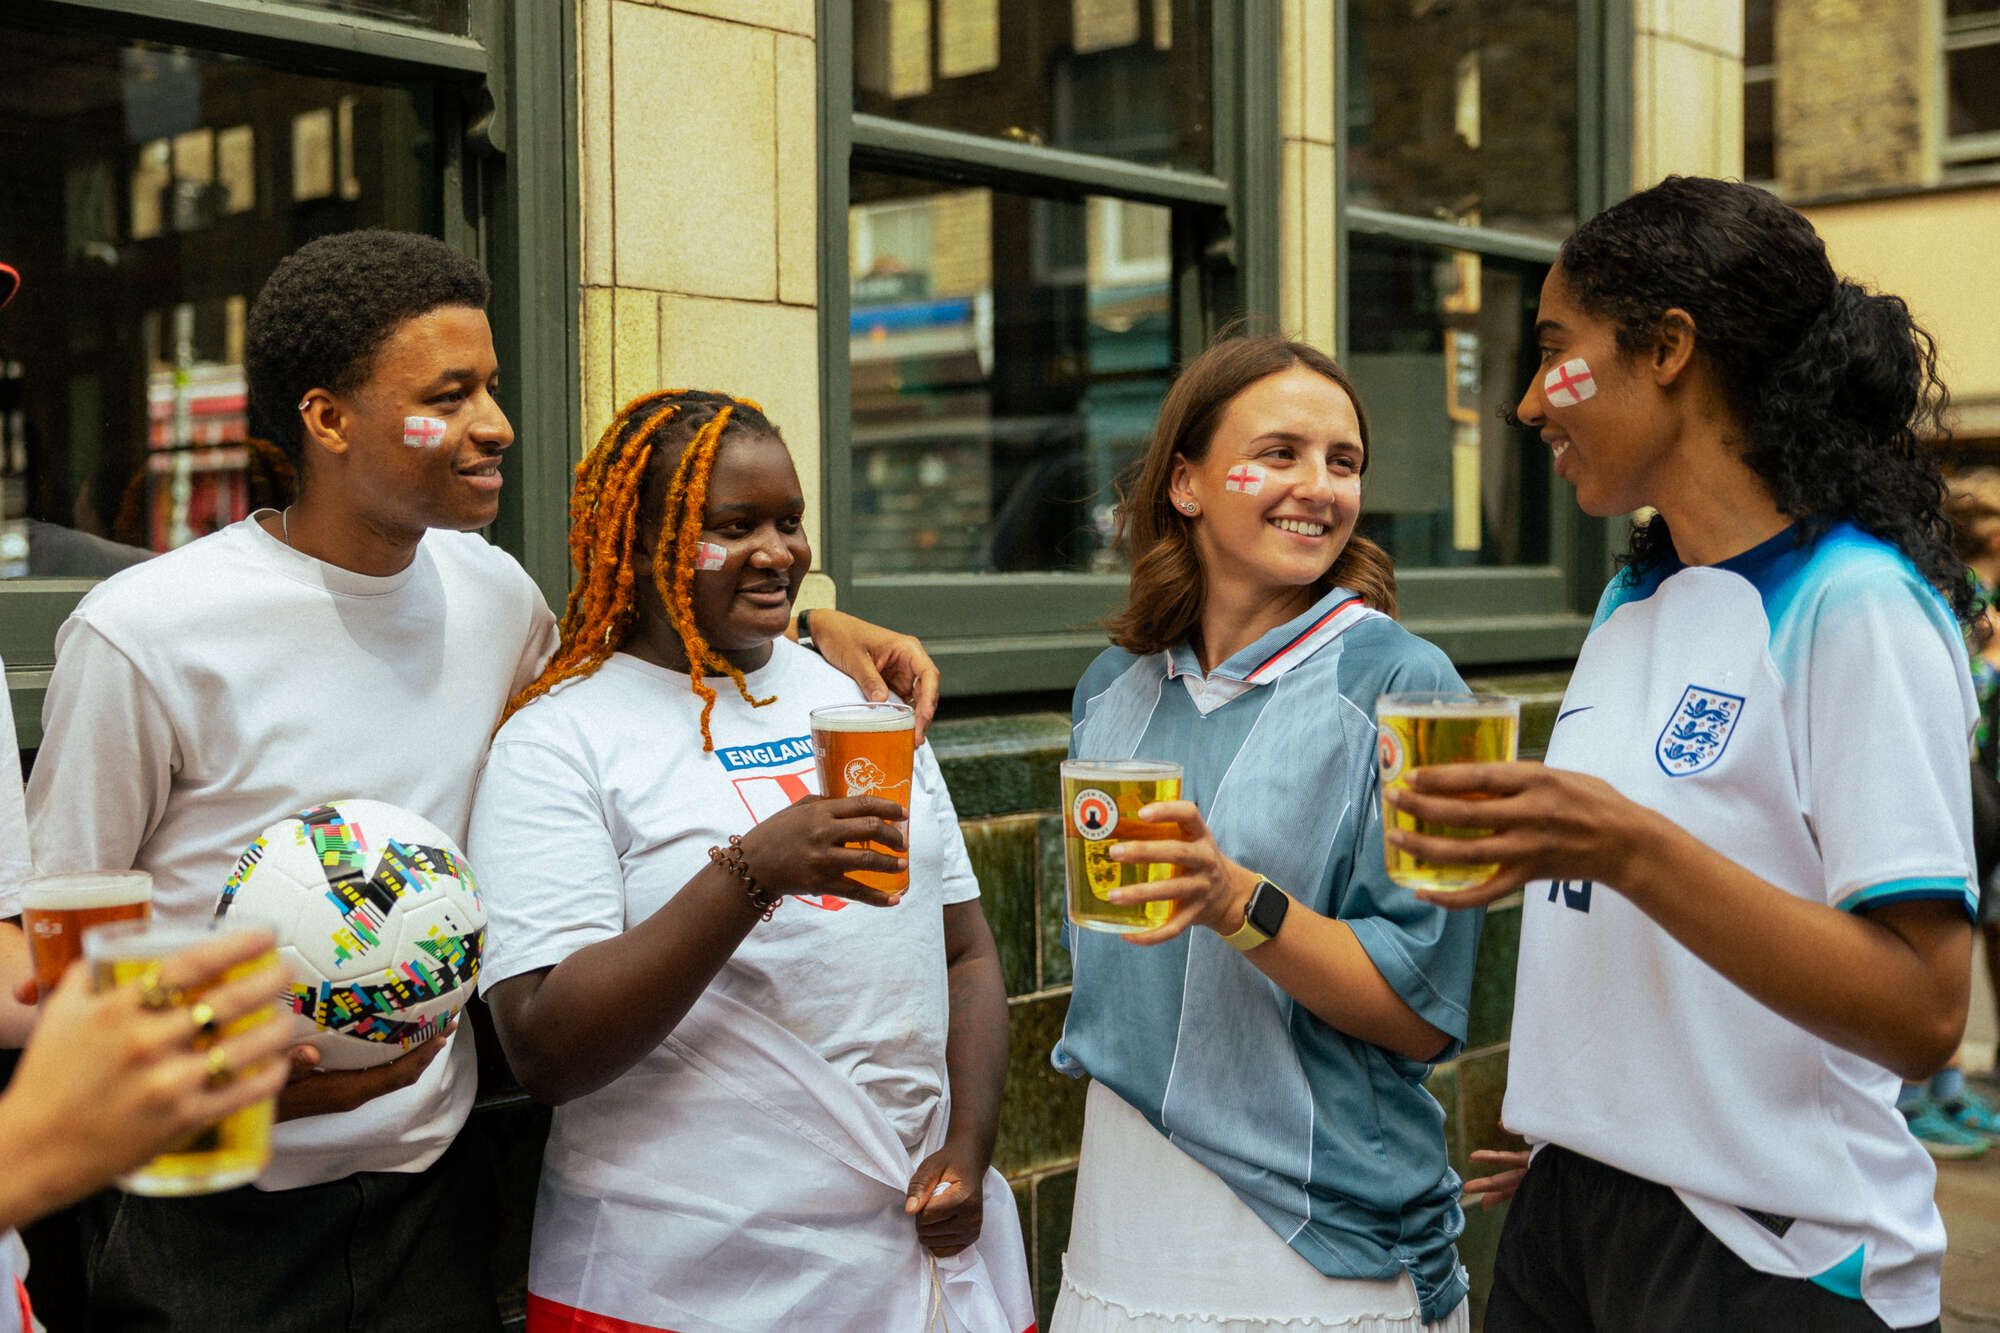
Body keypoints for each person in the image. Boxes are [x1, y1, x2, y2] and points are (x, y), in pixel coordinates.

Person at [19, 231, 941, 1330]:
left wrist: (812, 619)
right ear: (325, 420)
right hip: (208, 1214)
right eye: (447, 396)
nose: (495, 424)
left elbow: (641, 634)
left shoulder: (494, 594)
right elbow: (66, 948)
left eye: (492, 387)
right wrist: (252, 1075)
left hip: (434, 1195)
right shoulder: (144, 634)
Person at [1399, 177, 1975, 1331]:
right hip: (1578, 1212)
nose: (1524, 403)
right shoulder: (1632, 597)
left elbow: (1921, 1012)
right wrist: (1606, 1142)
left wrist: (1623, 845)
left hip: (1771, 1260)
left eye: (1555, 352)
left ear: (1666, 348)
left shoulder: (1852, 602)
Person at [465, 389, 1033, 1332]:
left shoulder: (858, 698)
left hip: (905, 1260)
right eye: (733, 525)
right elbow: (545, 1046)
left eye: (791, 521)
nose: (779, 551)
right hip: (683, 1277)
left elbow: (964, 953)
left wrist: (967, 1148)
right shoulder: (560, 740)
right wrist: (753, 871)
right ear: (639, 545)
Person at [1051, 334, 1483, 1331]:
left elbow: (1420, 1014)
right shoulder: (1107, 690)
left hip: (1316, 1249)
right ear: (1187, 482)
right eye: (1278, 452)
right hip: (1118, 1221)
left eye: (1342, 462)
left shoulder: (1409, 686)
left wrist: (1233, 902)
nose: (1318, 486)